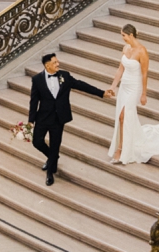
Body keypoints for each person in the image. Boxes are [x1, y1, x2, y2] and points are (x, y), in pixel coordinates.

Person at [28, 52, 110, 185]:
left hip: (58, 118)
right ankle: (52, 157)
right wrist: (31, 120)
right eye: (55, 63)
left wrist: (101, 93)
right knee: (37, 142)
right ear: (47, 65)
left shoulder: (64, 76)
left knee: (55, 145)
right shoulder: (37, 80)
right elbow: (34, 101)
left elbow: (81, 85)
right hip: (42, 117)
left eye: (57, 61)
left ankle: (50, 171)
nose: (58, 64)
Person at [107, 24, 159, 165]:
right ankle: (123, 146)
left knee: (124, 116)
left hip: (134, 88)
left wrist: (144, 94)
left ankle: (121, 151)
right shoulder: (125, 48)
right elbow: (120, 70)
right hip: (124, 86)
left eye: (123, 35)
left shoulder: (142, 51)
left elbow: (144, 74)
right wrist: (113, 87)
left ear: (131, 35)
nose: (122, 38)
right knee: (121, 117)